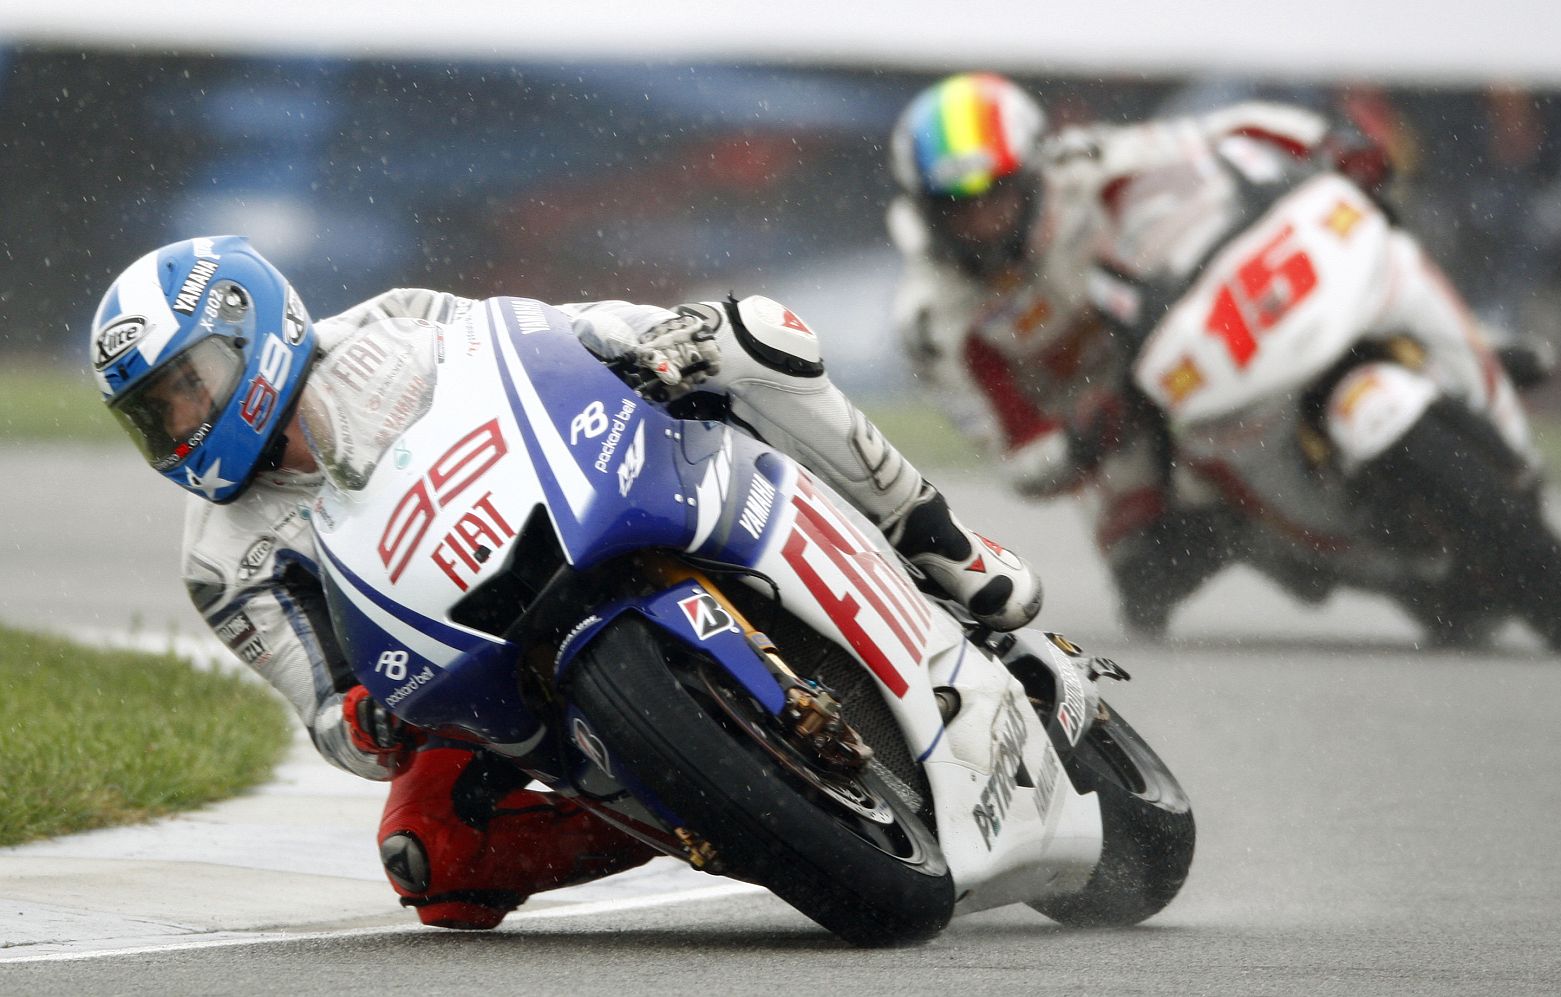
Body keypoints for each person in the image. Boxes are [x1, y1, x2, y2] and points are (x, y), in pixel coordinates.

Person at [87, 234, 1042, 930]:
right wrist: (365, 723)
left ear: (250, 331)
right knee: (431, 865)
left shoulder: (393, 322)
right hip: (469, 660)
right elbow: (324, 712)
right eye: (154, 415)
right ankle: (716, 814)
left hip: (582, 493)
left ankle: (933, 537)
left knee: (749, 340)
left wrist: (655, 342)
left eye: (188, 386)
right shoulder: (221, 561)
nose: (180, 425)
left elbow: (542, 340)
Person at [885, 71, 1393, 635]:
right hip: (1115, 419)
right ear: (925, 210)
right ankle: (1285, 546)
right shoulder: (933, 321)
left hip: (1198, 325)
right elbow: (1013, 458)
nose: (983, 221)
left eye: (996, 196)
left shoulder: (1083, 162)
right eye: (958, 207)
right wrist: (1076, 440)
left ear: (1031, 174)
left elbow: (1222, 133)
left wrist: (1324, 140)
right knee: (1146, 575)